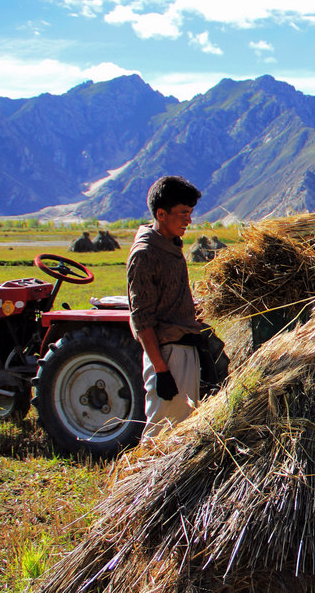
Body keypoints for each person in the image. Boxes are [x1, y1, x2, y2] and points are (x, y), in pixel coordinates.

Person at [127, 176, 204, 440]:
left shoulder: (169, 246)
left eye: (190, 213)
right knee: (163, 434)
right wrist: (161, 371)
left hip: (182, 349)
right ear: (161, 213)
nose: (188, 220)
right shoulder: (146, 254)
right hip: (167, 355)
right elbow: (142, 319)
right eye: (183, 213)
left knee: (184, 430)